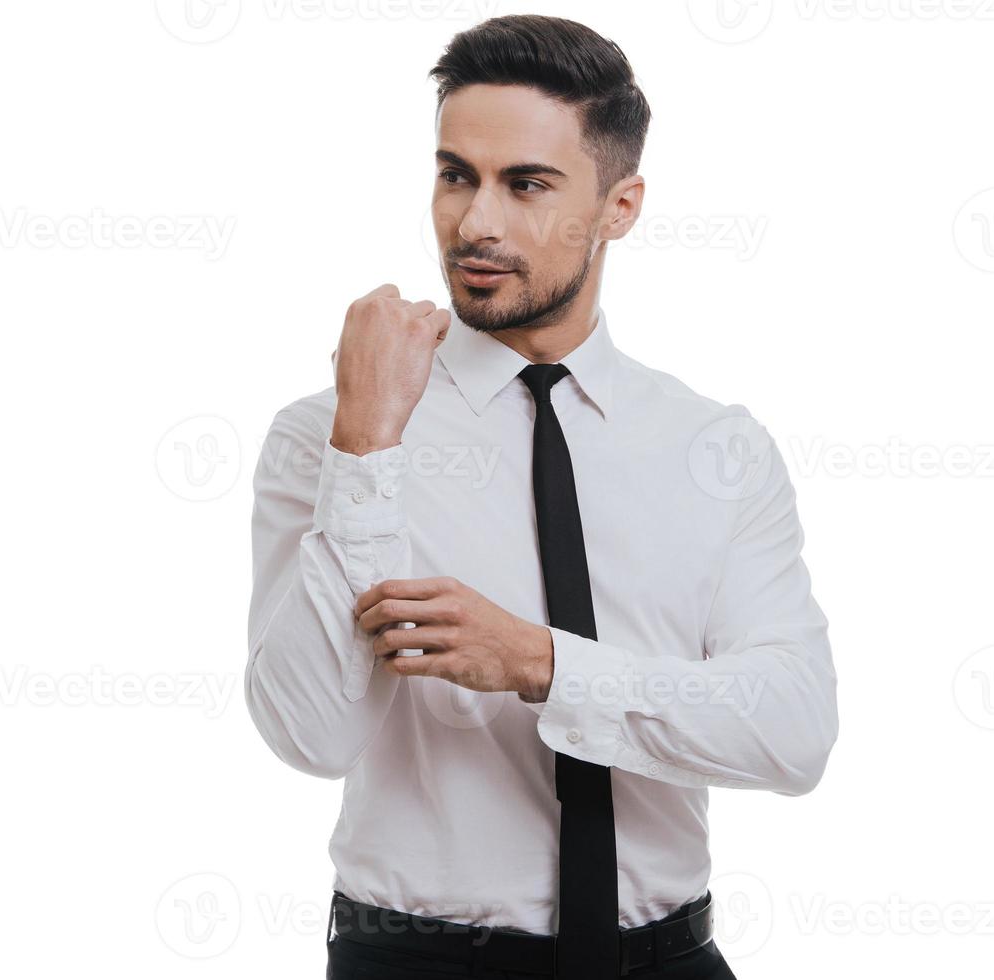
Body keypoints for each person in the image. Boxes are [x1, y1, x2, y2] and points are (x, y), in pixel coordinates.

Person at [245, 14, 840, 979]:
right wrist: (366, 448)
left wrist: (543, 663)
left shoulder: (713, 445)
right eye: (454, 175)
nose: (476, 222)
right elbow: (308, 736)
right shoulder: (332, 429)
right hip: (417, 961)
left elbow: (792, 733)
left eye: (526, 184)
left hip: (668, 958)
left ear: (619, 206)